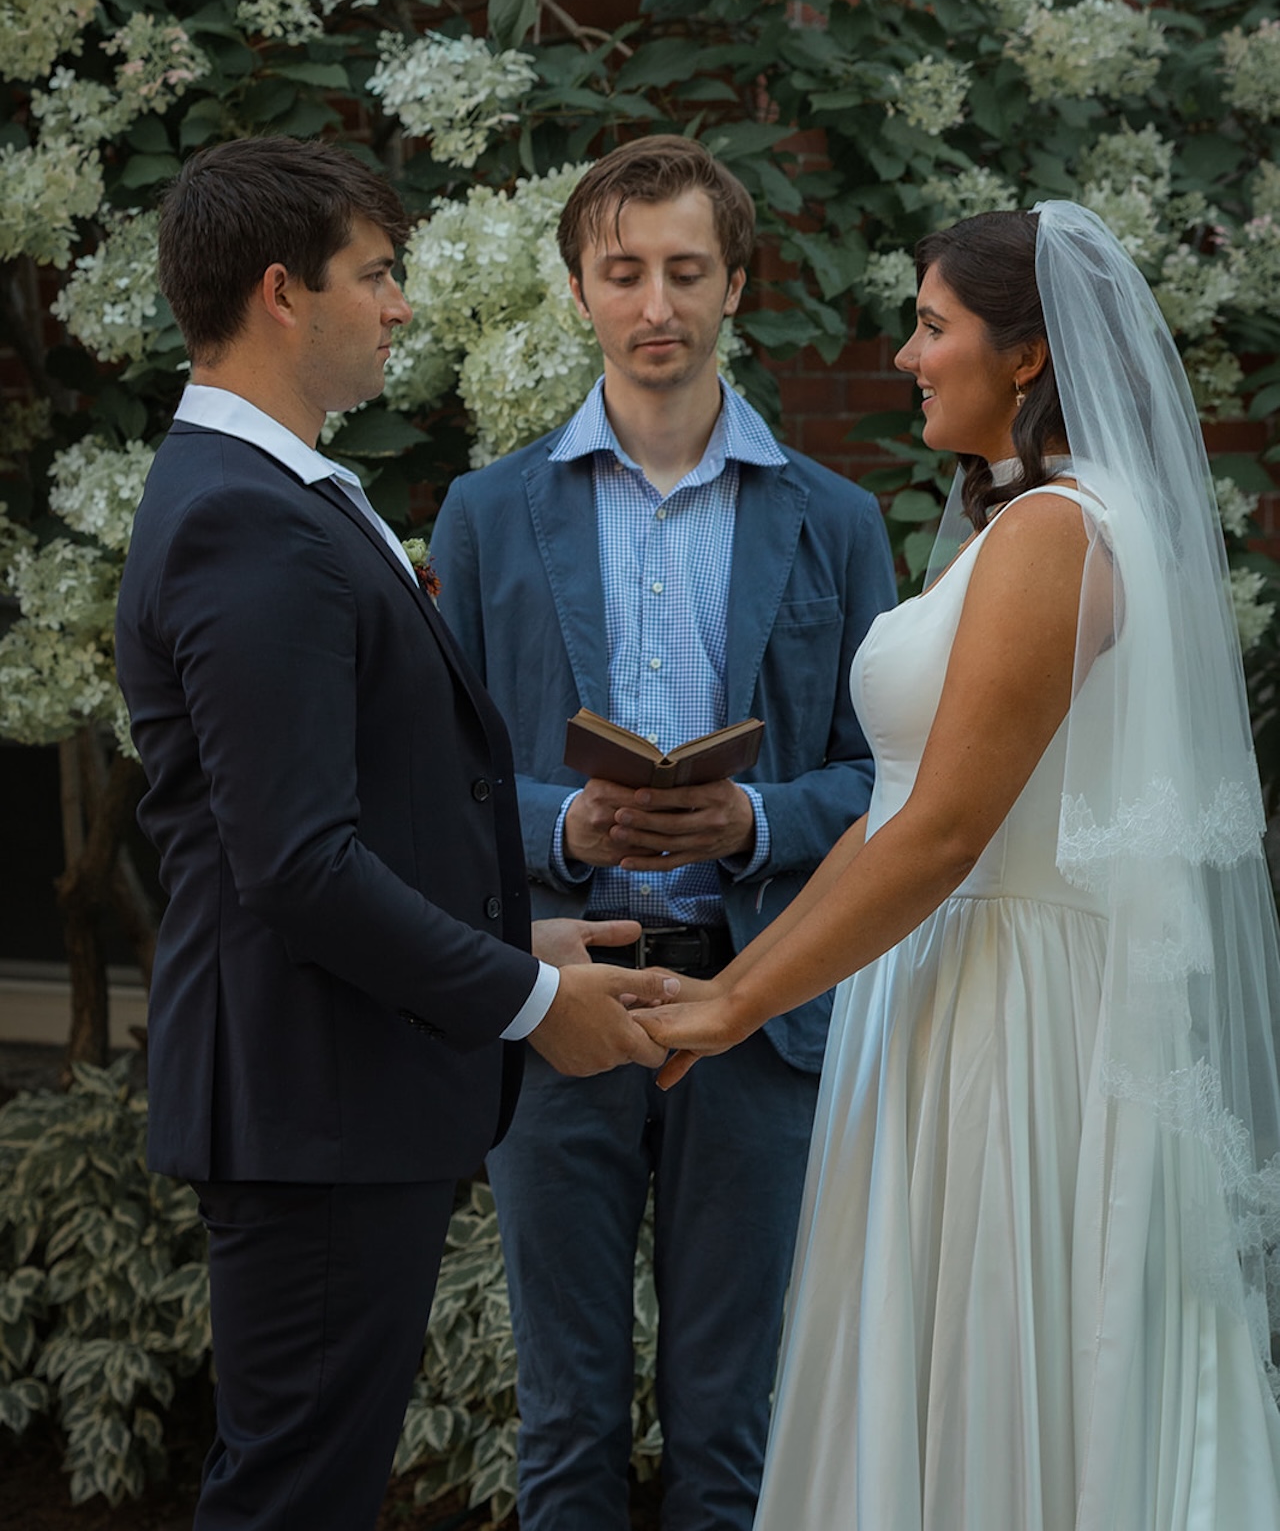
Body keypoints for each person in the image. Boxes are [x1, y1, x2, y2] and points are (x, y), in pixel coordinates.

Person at [641, 200, 1280, 1528]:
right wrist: (733, 981)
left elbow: (942, 833)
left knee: (999, 1374)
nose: (908, 356)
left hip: (1016, 1025)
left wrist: (736, 1004)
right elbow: (895, 813)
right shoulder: (1017, 527)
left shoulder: (1060, 536)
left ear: (1029, 356)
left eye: (933, 327)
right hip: (941, 995)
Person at [114, 136, 680, 1531]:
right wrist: (533, 998)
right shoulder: (244, 521)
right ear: (279, 293)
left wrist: (514, 926)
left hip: (337, 1091)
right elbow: (296, 865)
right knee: (295, 1497)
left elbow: (330, 822)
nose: (401, 305)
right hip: (312, 1098)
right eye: (377, 274)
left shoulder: (278, 494)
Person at [431, 133, 896, 1531]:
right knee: (565, 1417)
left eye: (687, 272)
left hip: (755, 1002)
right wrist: (563, 819)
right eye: (622, 273)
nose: (656, 307)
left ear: (736, 285)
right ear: (578, 289)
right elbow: (433, 788)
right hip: (561, 990)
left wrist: (758, 812)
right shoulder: (486, 513)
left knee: (729, 1419)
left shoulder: (834, 520)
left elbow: (891, 777)